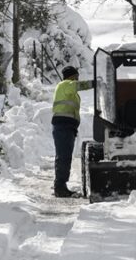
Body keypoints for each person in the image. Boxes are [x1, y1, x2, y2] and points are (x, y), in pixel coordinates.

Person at [51, 65, 94, 197]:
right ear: (72, 76)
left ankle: (60, 185)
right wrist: (94, 83)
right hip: (63, 126)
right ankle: (60, 187)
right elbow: (78, 86)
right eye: (76, 76)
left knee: (64, 156)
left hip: (66, 126)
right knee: (64, 156)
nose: (78, 79)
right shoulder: (66, 84)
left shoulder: (67, 89)